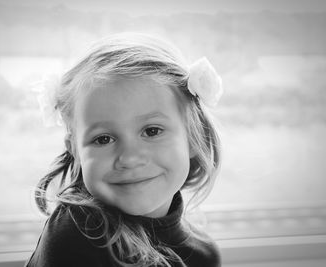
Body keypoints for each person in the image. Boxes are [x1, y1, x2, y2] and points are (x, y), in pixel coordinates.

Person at [26, 32, 223, 267]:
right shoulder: (77, 235)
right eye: (103, 139)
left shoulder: (204, 256)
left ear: (193, 136)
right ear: (76, 152)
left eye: (152, 131)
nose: (129, 158)